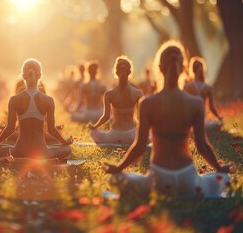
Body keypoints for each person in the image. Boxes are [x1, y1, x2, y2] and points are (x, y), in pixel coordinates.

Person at [103, 41, 231, 198]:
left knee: (115, 179)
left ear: (160, 68)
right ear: (183, 68)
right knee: (223, 178)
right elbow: (202, 146)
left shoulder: (147, 104)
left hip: (159, 180)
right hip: (187, 180)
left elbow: (139, 148)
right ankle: (197, 187)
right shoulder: (196, 103)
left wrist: (118, 167)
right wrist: (218, 167)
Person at [0, 59, 73, 162]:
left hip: (19, 150)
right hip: (42, 151)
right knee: (67, 149)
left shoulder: (14, 99)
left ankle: (21, 157)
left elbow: (10, 128)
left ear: (23, 76)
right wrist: (64, 142)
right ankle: (46, 157)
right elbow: (51, 130)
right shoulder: (48, 100)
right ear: (39, 75)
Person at [88, 56, 143, 145]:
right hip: (132, 136)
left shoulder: (109, 94)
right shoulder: (138, 93)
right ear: (130, 72)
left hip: (114, 136)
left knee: (93, 133)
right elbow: (140, 118)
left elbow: (106, 117)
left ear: (116, 72)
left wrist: (94, 126)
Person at [184, 56, 223, 131]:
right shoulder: (208, 87)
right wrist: (219, 117)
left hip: (190, 120)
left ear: (192, 70)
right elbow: (211, 107)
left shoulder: (187, 87)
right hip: (203, 119)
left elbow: (184, 106)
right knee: (216, 124)